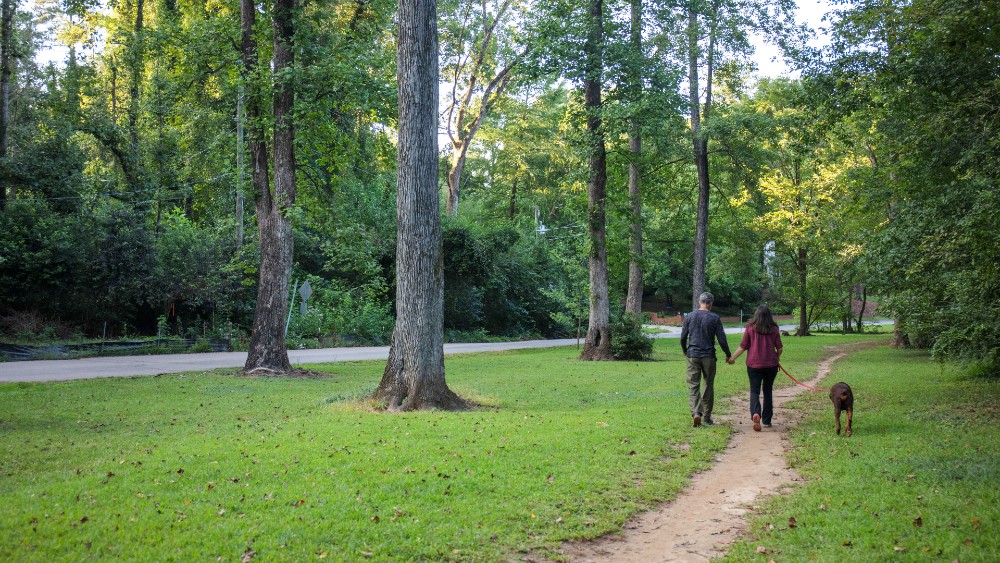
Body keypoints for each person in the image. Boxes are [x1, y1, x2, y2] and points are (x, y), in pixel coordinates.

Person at [728, 304, 783, 431]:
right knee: (768, 391)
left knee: (754, 391)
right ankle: (767, 421)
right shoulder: (774, 329)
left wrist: (732, 359)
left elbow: (743, 346)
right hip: (771, 365)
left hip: (753, 365)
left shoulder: (750, 328)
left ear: (756, 315)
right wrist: (776, 357)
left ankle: (755, 414)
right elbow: (780, 348)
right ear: (769, 316)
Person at [680, 292, 732, 427]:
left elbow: (683, 337)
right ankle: (707, 417)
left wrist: (685, 350)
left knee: (693, 385)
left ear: (700, 302)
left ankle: (696, 413)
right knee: (708, 385)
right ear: (711, 303)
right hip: (709, 356)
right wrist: (728, 354)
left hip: (693, 354)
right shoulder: (714, 318)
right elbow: (722, 339)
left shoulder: (690, 317)